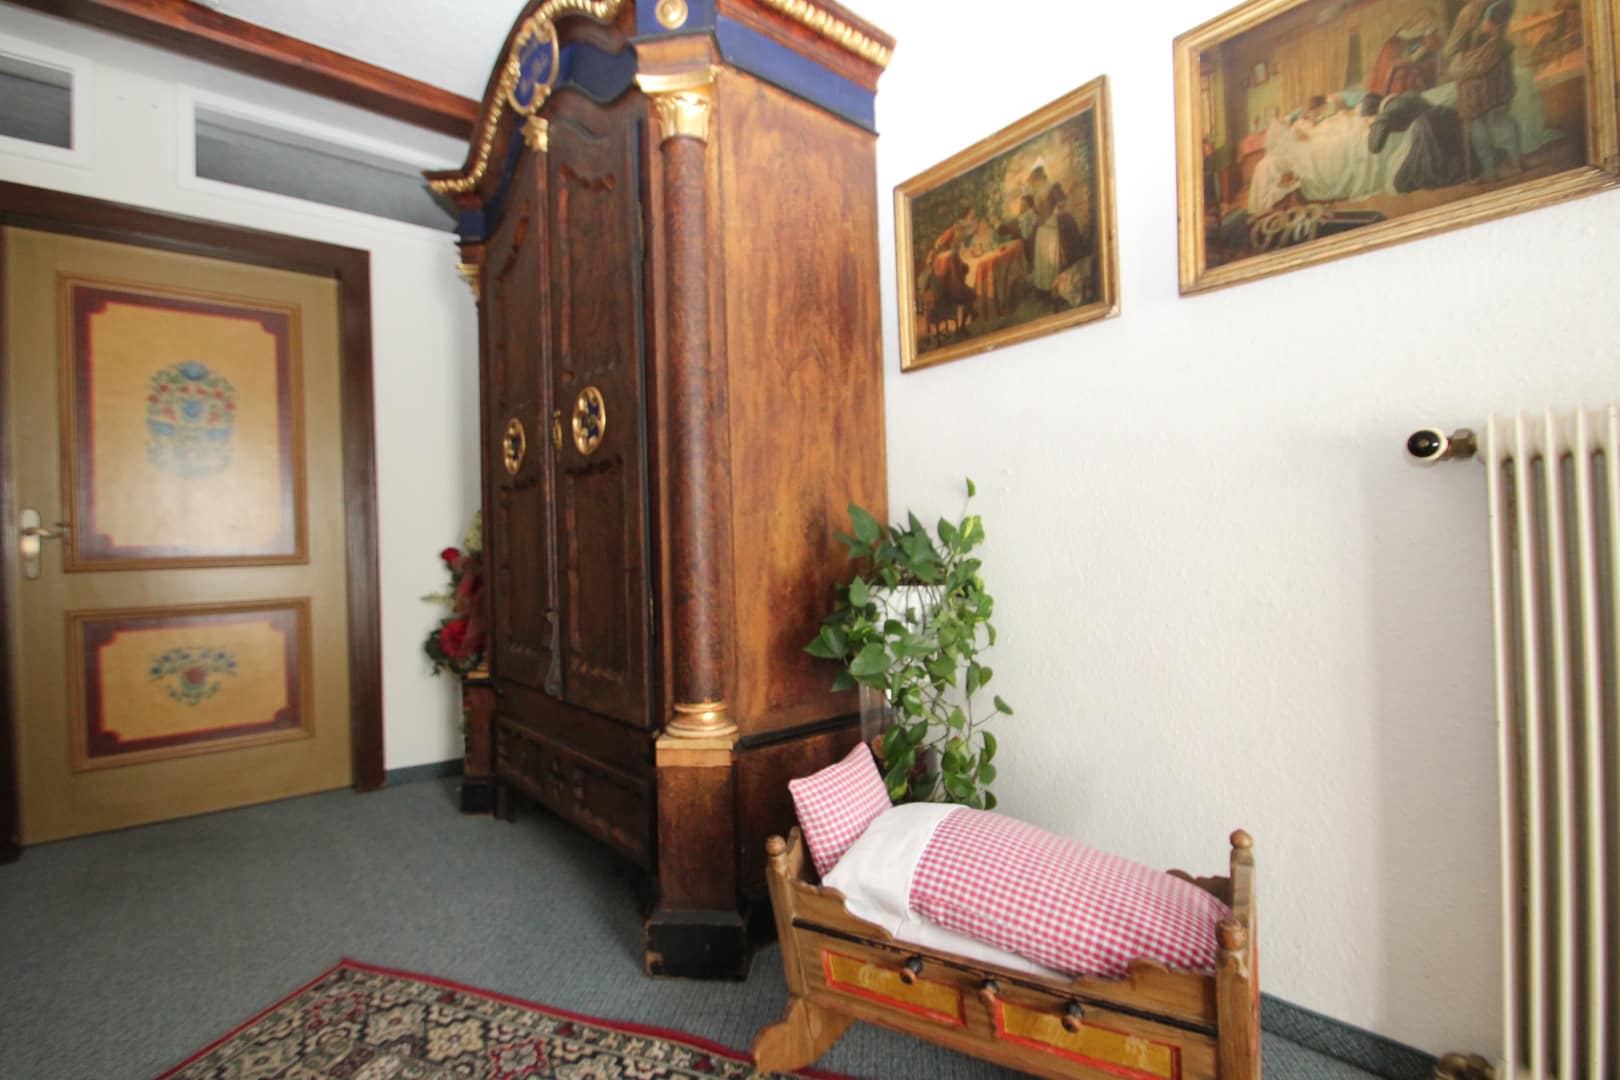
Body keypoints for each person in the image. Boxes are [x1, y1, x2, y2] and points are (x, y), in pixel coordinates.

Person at [1445, 0, 1522, 182]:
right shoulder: (1504, 3)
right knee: (1499, 117)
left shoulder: (1469, 11)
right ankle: (1516, 162)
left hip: (1477, 73)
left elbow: (1450, 49)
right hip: (1499, 66)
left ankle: (1490, 171)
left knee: (1477, 121)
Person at [1368, 10, 1443, 97]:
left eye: (1431, 25)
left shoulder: (1424, 40)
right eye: (1426, 23)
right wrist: (1421, 51)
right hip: (1395, 88)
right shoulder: (1394, 42)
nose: (1428, 27)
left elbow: (1432, 60)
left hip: (1418, 89)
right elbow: (1392, 64)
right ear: (1416, 22)